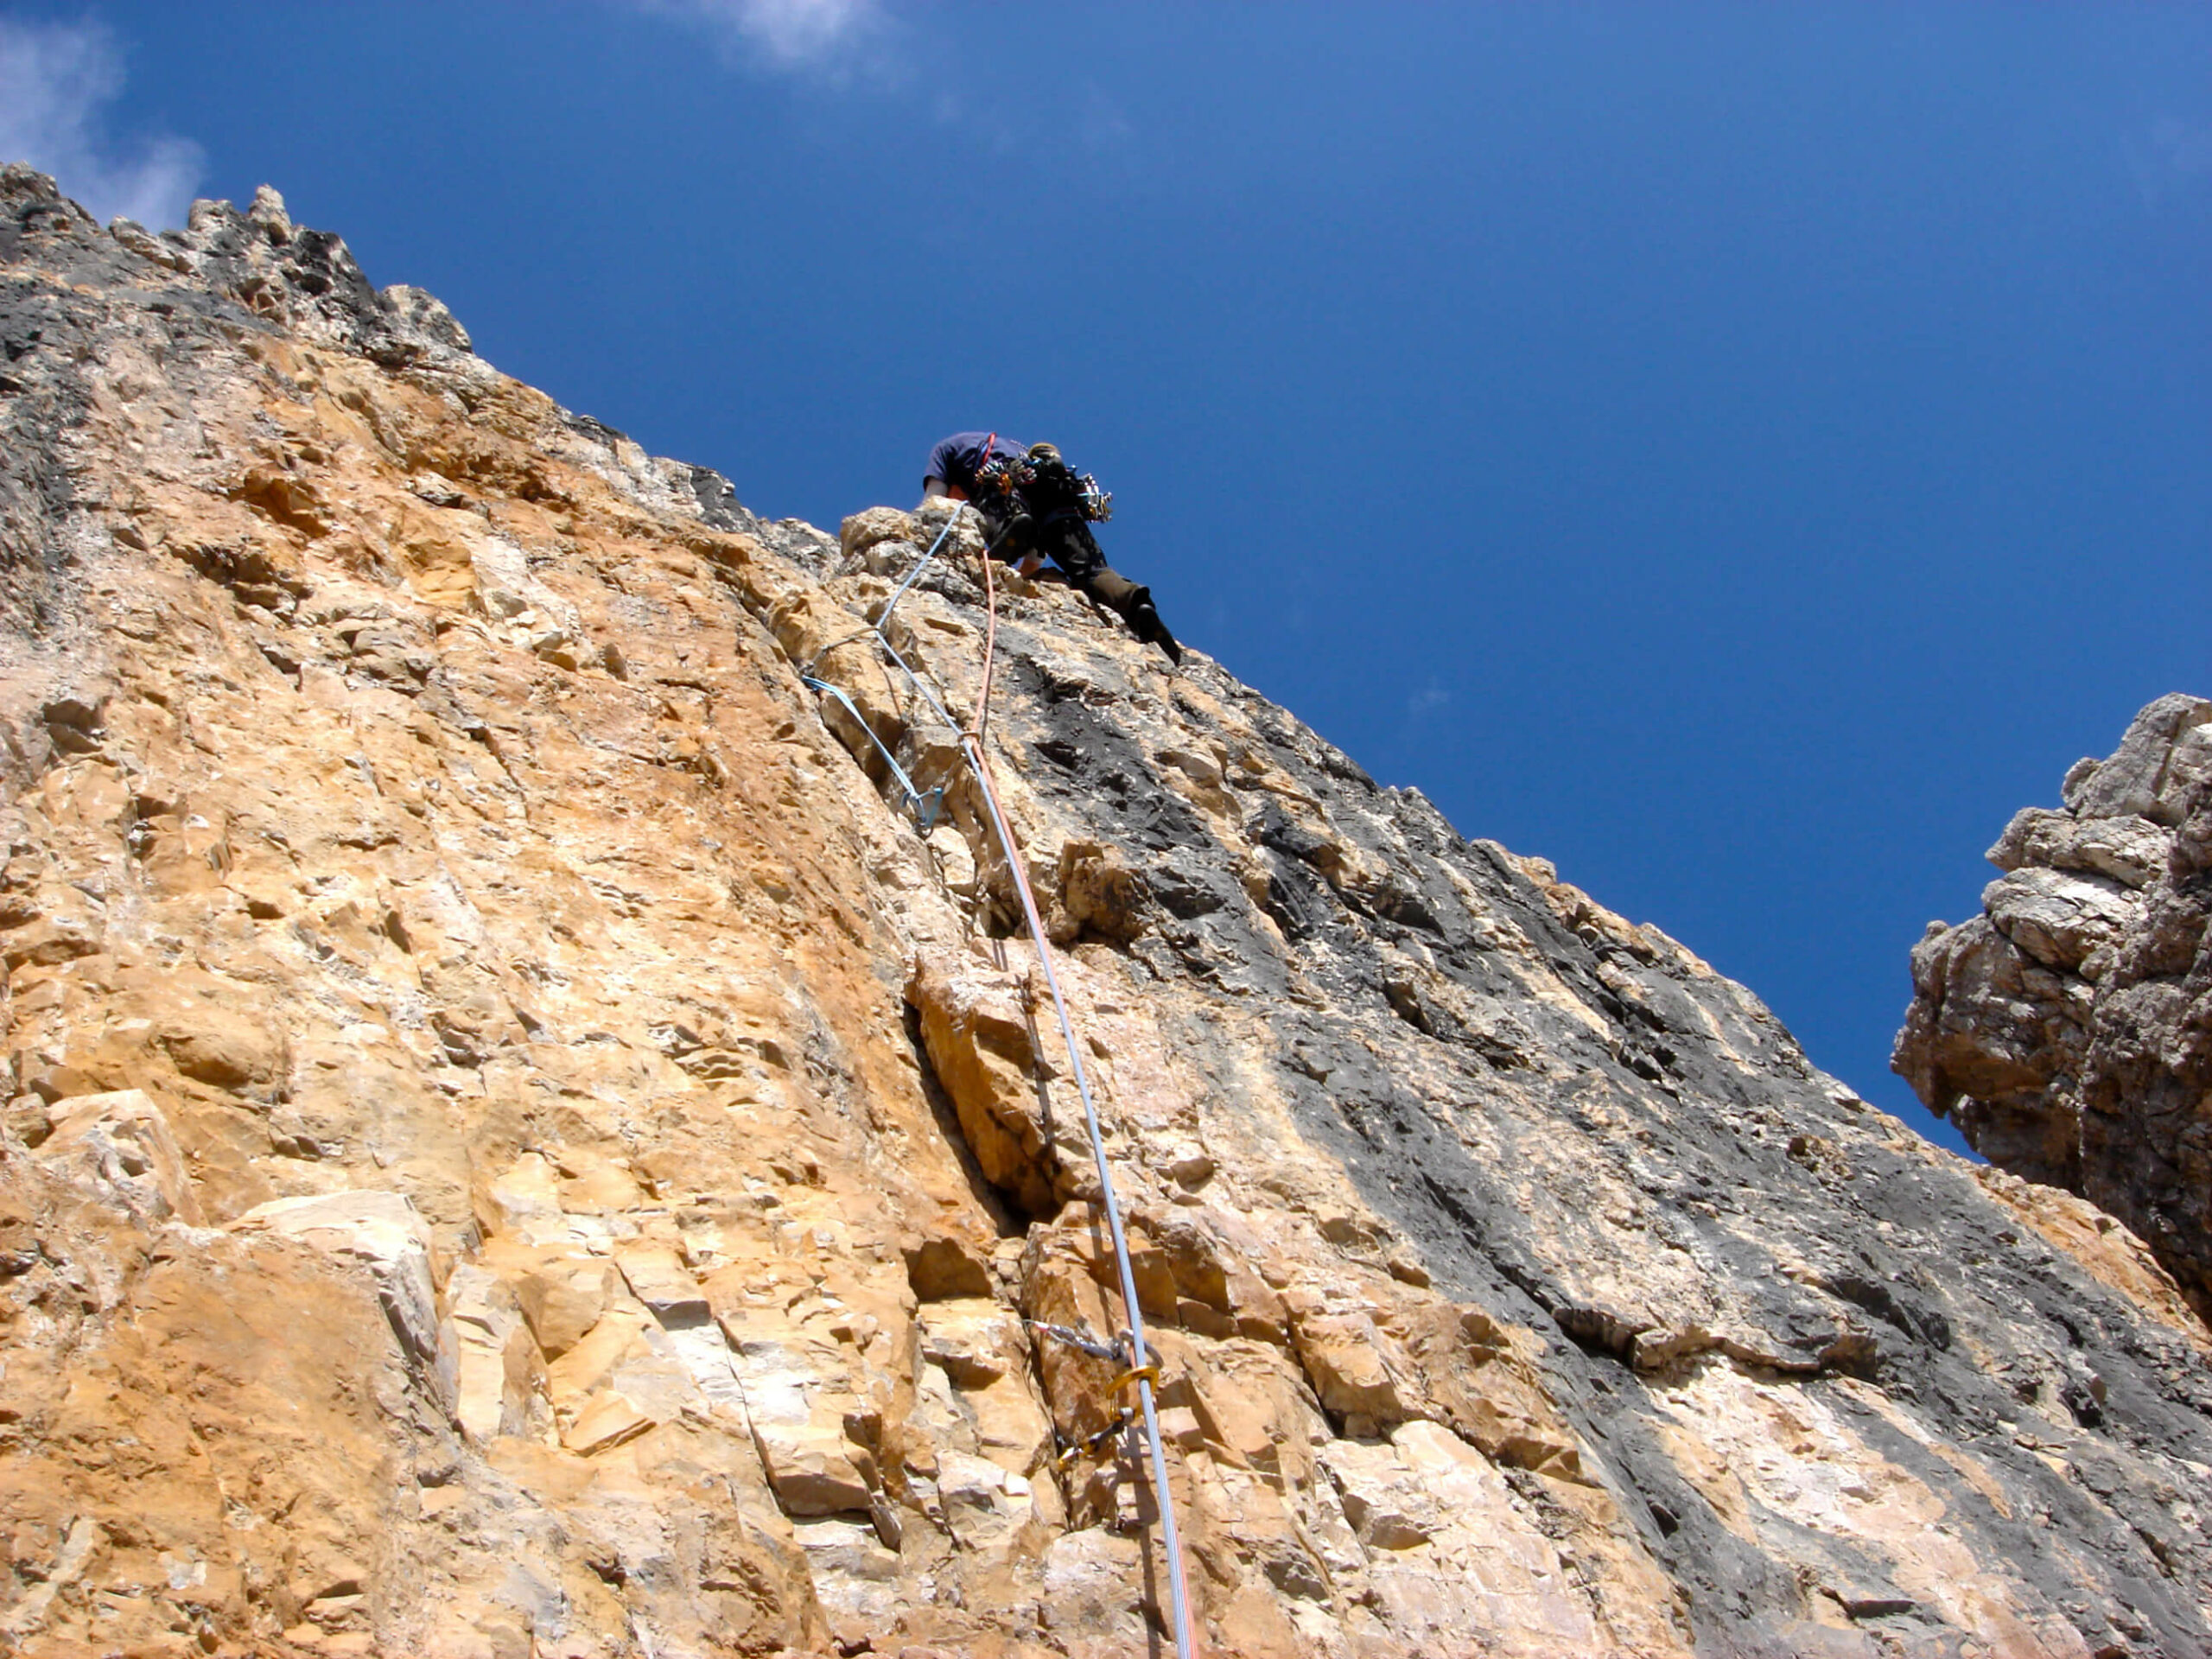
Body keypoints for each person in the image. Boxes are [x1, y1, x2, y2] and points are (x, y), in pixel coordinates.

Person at [923, 432, 1182, 664]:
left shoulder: (945, 450)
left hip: (1005, 482)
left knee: (998, 502)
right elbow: (1036, 555)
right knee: (1090, 570)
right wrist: (1025, 573)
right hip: (1055, 492)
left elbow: (933, 501)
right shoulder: (1017, 448)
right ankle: (1135, 604)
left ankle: (1011, 524)